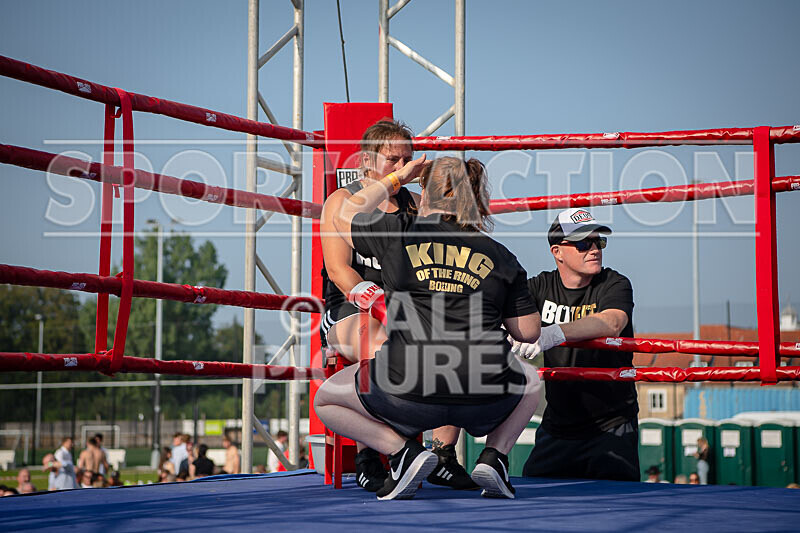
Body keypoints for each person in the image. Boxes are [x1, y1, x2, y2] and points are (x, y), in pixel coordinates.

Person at [315, 155, 543, 500]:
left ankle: (401, 451)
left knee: (326, 399)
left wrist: (397, 178)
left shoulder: (399, 232)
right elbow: (528, 331)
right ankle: (494, 457)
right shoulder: (501, 254)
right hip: (483, 392)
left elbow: (346, 211)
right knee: (531, 379)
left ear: (423, 191)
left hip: (407, 391)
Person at [319, 119, 471, 492]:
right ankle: (375, 453)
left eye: (409, 159)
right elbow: (339, 271)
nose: (405, 167)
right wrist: (374, 299)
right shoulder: (342, 202)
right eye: (394, 160)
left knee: (461, 341)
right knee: (381, 345)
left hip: (405, 310)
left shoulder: (417, 207)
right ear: (369, 161)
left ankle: (443, 454)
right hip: (351, 310)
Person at [518, 207, 639, 482]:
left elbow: (612, 322)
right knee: (532, 502)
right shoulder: (539, 286)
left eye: (599, 241)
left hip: (611, 425)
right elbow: (505, 311)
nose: (594, 249)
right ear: (557, 252)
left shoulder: (614, 283)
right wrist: (508, 330)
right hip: (558, 426)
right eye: (584, 243)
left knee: (620, 507)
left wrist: (553, 333)